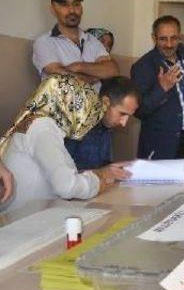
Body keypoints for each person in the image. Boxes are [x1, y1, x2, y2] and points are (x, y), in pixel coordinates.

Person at [0, 75, 131, 213]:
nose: (87, 119)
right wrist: (99, 183)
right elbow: (66, 186)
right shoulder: (42, 129)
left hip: (31, 215)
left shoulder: (42, 126)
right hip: (24, 221)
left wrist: (101, 173)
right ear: (70, 107)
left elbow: (60, 172)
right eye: (86, 111)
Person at [131, 15, 184, 167]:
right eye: (163, 39)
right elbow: (139, 110)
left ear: (180, 37)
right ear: (154, 38)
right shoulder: (143, 67)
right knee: (163, 190)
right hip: (161, 144)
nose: (169, 44)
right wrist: (162, 88)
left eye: (174, 38)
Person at [32, 0, 119, 88]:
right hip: (64, 104)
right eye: (64, 5)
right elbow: (60, 75)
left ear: (81, 8)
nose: (72, 10)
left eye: (76, 4)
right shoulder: (44, 42)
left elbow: (112, 70)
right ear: (53, 9)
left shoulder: (92, 41)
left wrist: (78, 66)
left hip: (95, 103)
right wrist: (94, 77)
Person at [64, 76, 141, 170]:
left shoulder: (105, 125)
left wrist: (118, 168)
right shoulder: (76, 123)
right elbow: (63, 173)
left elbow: (100, 165)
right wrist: (102, 172)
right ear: (105, 102)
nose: (124, 123)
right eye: (122, 114)